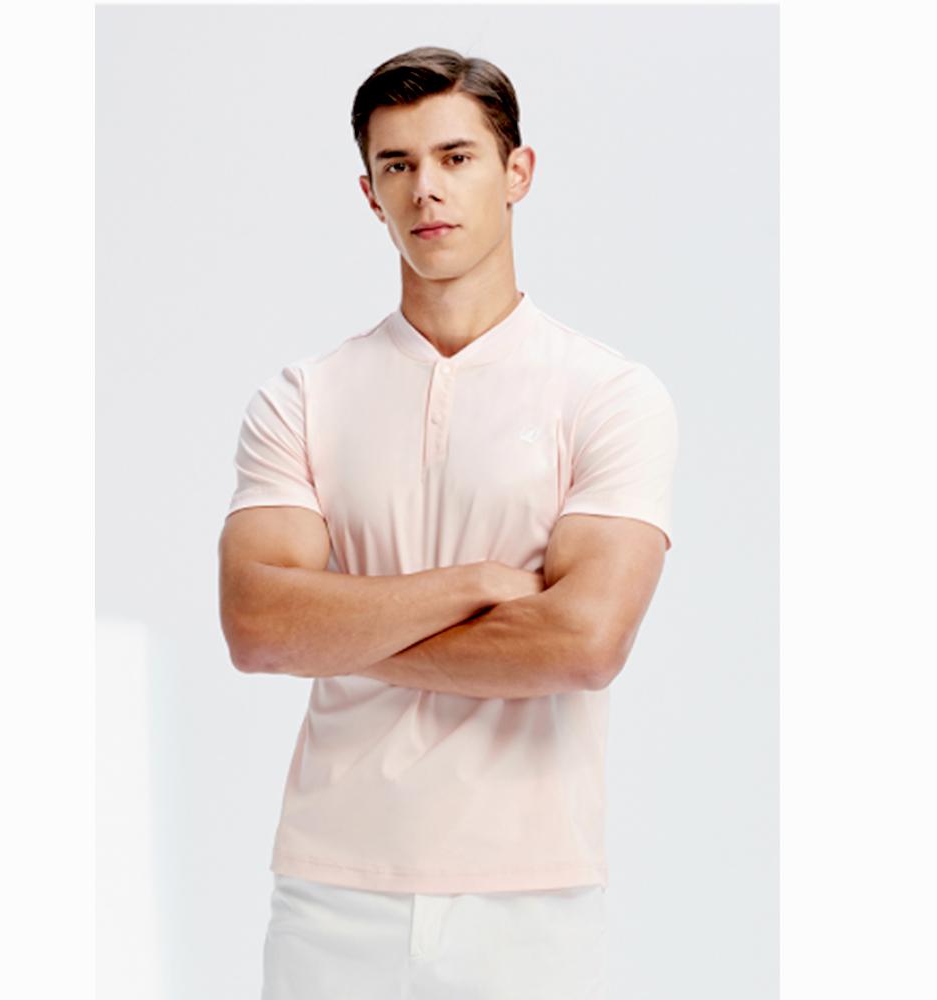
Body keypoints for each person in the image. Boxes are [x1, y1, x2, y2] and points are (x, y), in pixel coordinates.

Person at [218, 45, 679, 1000]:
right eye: (397, 164)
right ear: (369, 193)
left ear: (518, 172)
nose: (425, 188)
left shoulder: (608, 394)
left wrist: (338, 629)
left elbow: (584, 643)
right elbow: (257, 627)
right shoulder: (302, 397)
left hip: (531, 895)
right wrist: (477, 586)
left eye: (456, 157)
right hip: (330, 887)